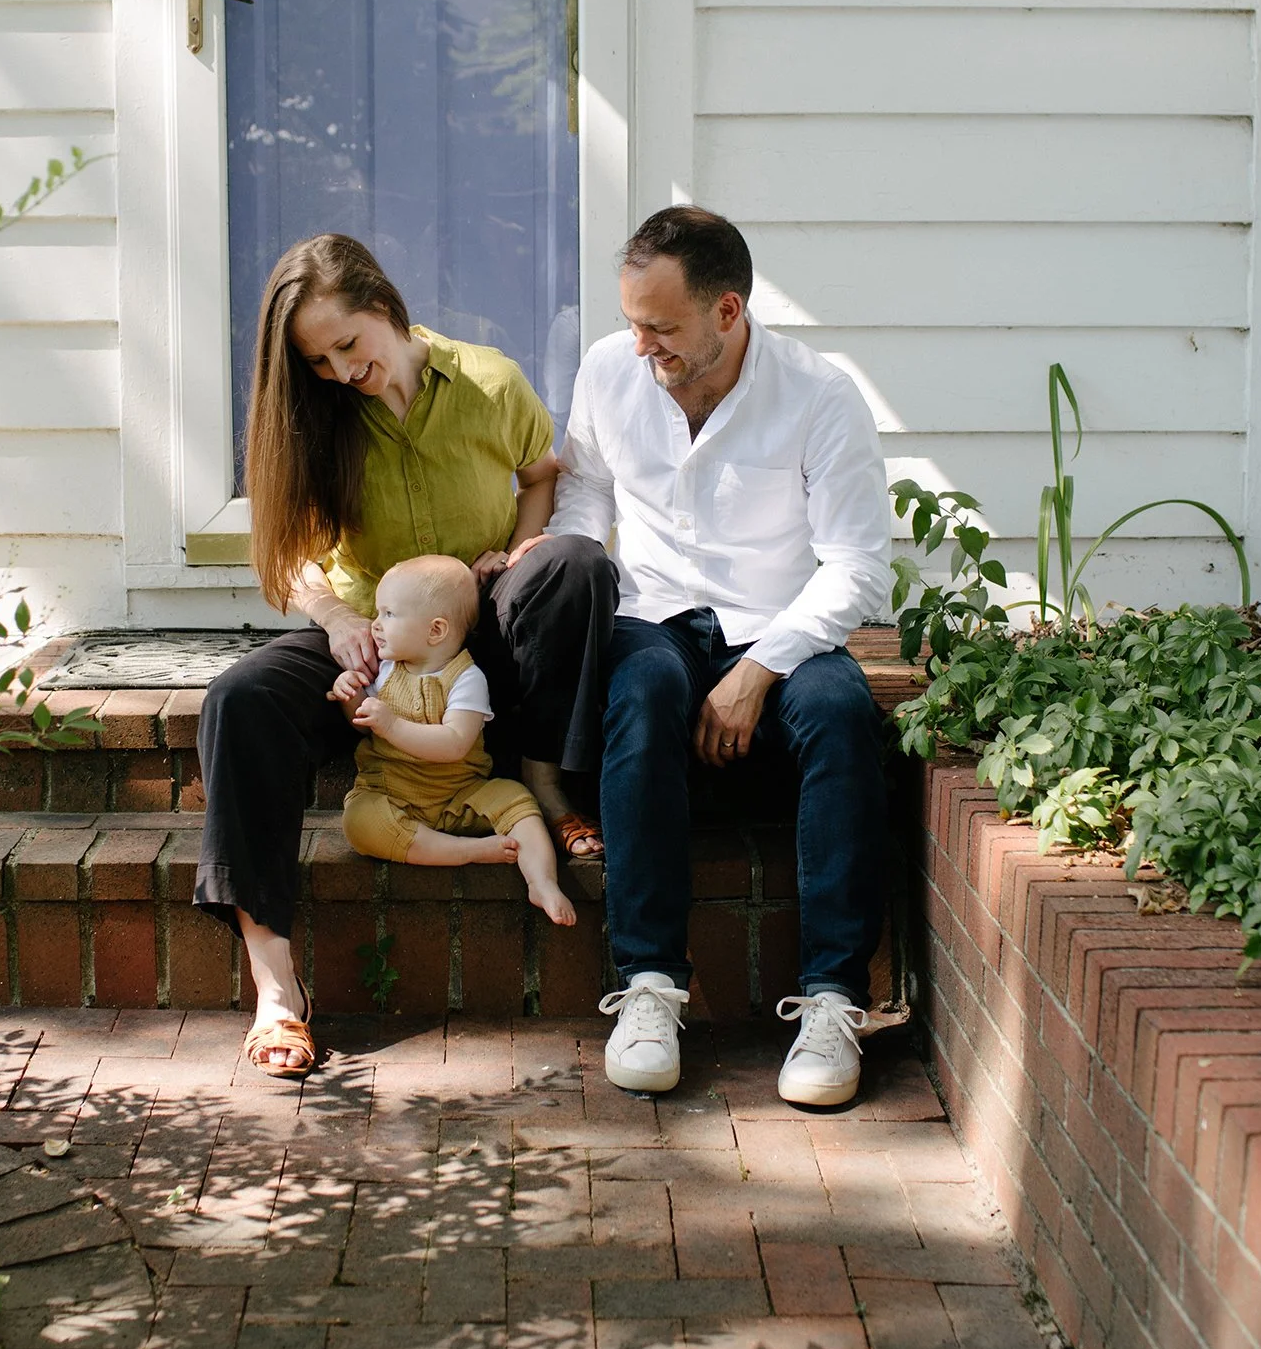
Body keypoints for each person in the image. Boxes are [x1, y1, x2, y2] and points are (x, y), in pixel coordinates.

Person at [197, 233, 617, 1081]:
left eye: (349, 345)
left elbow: (542, 472)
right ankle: (276, 986)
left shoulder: (490, 380)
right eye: (317, 360)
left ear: (386, 307)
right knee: (238, 699)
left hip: (480, 635)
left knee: (575, 566)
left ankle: (545, 782)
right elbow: (296, 560)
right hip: (373, 637)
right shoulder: (318, 419)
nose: (340, 372)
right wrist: (336, 617)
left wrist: (523, 542)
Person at [547, 205, 895, 1108]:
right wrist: (561, 560)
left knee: (840, 713)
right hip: (653, 613)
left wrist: (760, 667)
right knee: (643, 689)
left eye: (660, 328)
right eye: (631, 322)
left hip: (776, 623)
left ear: (728, 312)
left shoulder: (821, 396)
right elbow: (584, 495)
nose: (639, 347)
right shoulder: (607, 372)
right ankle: (650, 986)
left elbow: (857, 564)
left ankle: (832, 1001)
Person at [333, 554, 579, 927]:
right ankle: (467, 851)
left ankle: (541, 880)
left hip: (459, 793)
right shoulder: (383, 670)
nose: (375, 625)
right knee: (359, 821)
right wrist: (349, 696)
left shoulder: (466, 678)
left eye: (388, 615)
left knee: (519, 805)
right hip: (390, 791)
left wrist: (392, 725)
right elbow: (362, 724)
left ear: (436, 630)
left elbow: (454, 743)